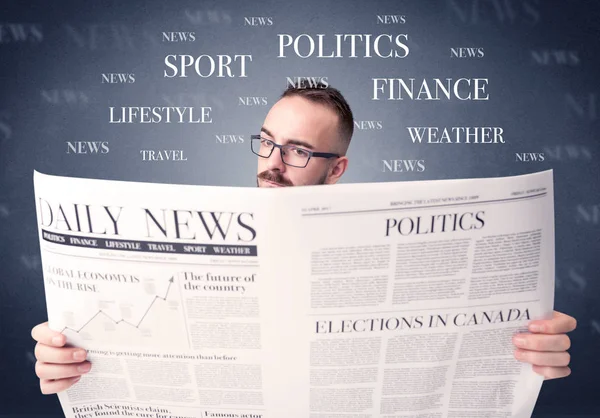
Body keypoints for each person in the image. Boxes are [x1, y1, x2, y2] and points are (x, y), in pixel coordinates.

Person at [31, 83, 577, 394]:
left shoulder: (388, 259)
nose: (271, 164)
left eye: (296, 151)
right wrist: (69, 363)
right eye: (266, 143)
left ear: (336, 169)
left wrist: (529, 352)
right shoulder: (187, 243)